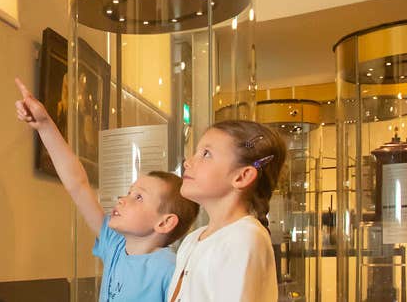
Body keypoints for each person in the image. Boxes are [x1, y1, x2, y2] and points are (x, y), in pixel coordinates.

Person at [14, 78, 199, 302]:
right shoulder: (115, 245)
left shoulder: (169, 269)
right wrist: (44, 125)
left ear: (164, 222)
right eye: (129, 192)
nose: (123, 199)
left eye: (138, 197)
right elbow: (77, 184)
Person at [168, 120, 287, 302]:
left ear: (242, 176)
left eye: (206, 154)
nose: (188, 162)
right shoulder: (193, 239)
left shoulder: (244, 238)